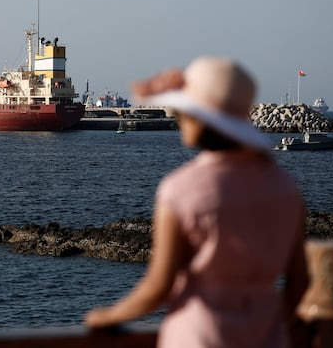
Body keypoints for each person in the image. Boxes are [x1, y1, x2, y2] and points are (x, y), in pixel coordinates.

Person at [84, 57, 308, 347]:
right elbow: (300, 282)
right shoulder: (285, 187)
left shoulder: (180, 190)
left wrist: (107, 316)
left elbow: (159, 286)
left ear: (198, 119)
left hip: (198, 335)